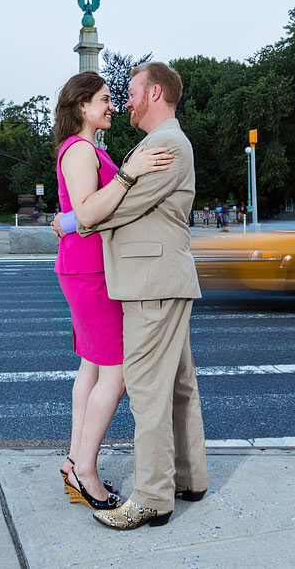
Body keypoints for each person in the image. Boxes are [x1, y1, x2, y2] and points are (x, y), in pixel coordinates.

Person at [69, 61, 208, 530]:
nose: (124, 100)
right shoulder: (157, 143)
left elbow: (116, 207)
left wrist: (77, 217)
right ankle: (189, 477)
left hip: (152, 282)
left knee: (148, 392)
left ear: (153, 94)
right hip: (163, 278)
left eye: (129, 92)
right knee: (178, 386)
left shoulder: (166, 144)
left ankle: (152, 497)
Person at [50, 71, 175, 513]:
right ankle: (86, 471)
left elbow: (73, 215)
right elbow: (86, 213)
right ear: (82, 106)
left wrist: (66, 219)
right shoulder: (82, 149)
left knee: (91, 369)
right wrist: (129, 173)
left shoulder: (83, 149)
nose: (112, 105)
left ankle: (72, 463)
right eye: (104, 99)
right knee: (116, 372)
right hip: (91, 271)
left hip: (84, 267)